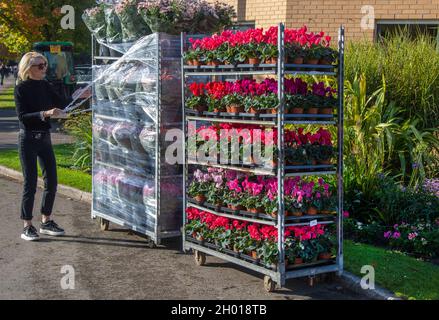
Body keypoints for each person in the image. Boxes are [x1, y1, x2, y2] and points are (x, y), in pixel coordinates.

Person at [14, 51, 91, 241]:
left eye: (45, 65)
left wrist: (79, 95)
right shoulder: (21, 89)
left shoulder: (45, 85)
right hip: (28, 139)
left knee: (52, 182)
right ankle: (27, 225)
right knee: (30, 183)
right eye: (40, 66)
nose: (44, 69)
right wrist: (45, 113)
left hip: (44, 139)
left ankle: (46, 221)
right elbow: (22, 117)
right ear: (28, 68)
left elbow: (64, 104)